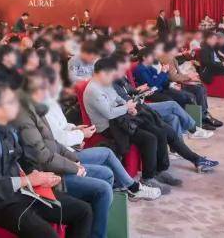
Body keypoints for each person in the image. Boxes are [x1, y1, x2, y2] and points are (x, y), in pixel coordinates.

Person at [0, 82, 93, 238]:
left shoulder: (7, 129)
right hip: (0, 203)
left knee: (83, 211)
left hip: (23, 191)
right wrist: (29, 180)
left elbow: (21, 160)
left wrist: (40, 177)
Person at [84, 58, 217, 193]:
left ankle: (160, 170)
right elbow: (109, 113)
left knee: (160, 131)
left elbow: (118, 98)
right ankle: (148, 177)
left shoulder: (105, 83)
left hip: (122, 119)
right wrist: (127, 108)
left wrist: (129, 106)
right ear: (102, 73)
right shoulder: (93, 90)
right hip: (110, 127)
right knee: (150, 138)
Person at [41, 65, 161, 200]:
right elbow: (57, 139)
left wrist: (75, 128)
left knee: (148, 131)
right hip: (65, 154)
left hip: (72, 146)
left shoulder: (51, 102)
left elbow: (63, 126)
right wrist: (81, 135)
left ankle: (133, 185)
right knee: (136, 141)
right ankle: (133, 187)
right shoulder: (43, 109)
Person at [112, 54, 214, 139]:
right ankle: (193, 128)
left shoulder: (148, 67)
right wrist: (163, 73)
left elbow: (160, 81)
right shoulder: (140, 69)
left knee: (189, 97)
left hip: (156, 90)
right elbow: (153, 84)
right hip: (148, 96)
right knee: (173, 102)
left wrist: (166, 79)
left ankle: (195, 125)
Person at [159, 42, 222, 128]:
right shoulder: (167, 58)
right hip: (171, 85)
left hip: (177, 83)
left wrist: (189, 78)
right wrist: (188, 77)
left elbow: (178, 74)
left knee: (200, 88)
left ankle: (204, 114)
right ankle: (200, 119)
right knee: (194, 93)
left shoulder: (171, 57)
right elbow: (173, 77)